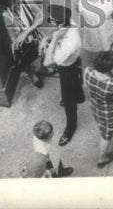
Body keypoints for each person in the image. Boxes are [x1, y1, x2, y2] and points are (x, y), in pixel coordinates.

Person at [41, 11, 83, 146]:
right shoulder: (70, 23)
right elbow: (57, 29)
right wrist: (45, 38)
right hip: (73, 63)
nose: (52, 25)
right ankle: (80, 96)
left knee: (68, 100)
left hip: (67, 69)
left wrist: (53, 39)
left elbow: (47, 63)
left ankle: (71, 127)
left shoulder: (69, 45)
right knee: (76, 84)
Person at [0, 0, 46, 87]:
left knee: (45, 49)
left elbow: (41, 16)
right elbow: (13, 38)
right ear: (8, 6)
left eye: (18, 2)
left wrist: (26, 32)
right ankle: (31, 73)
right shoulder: (6, 16)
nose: (18, 6)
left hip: (35, 34)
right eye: (14, 6)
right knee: (20, 53)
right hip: (25, 43)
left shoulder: (26, 0)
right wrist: (18, 42)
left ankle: (42, 65)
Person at [83, 51, 113, 168]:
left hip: (94, 105)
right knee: (107, 134)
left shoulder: (87, 71)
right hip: (107, 110)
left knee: (101, 125)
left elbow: (86, 87)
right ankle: (102, 159)